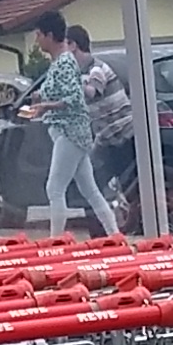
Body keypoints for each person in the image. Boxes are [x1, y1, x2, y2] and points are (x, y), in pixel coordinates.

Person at [30, 31, 122, 237]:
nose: (37, 40)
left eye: (39, 35)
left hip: (69, 131)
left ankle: (56, 240)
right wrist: (41, 96)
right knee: (90, 190)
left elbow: (74, 98)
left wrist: (46, 106)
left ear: (49, 35)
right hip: (72, 132)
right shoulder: (60, 63)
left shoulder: (65, 63)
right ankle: (115, 234)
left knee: (54, 188)